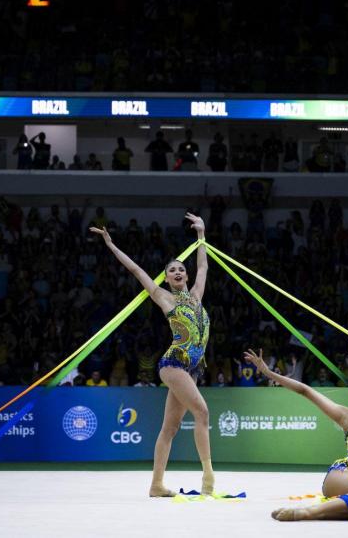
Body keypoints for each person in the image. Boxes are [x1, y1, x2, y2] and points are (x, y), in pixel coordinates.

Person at [91, 213, 213, 497]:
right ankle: (208, 476)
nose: (178, 272)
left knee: (169, 428)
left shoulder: (196, 296)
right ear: (167, 278)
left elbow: (204, 264)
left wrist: (201, 235)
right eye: (172, 270)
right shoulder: (163, 297)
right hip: (173, 365)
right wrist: (110, 244)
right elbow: (136, 271)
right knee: (202, 412)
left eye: (182, 268)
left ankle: (156, 485)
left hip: (193, 369)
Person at [245, 350, 348, 521]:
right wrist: (268, 372)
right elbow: (306, 391)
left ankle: (323, 511)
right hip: (342, 477)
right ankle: (307, 512)